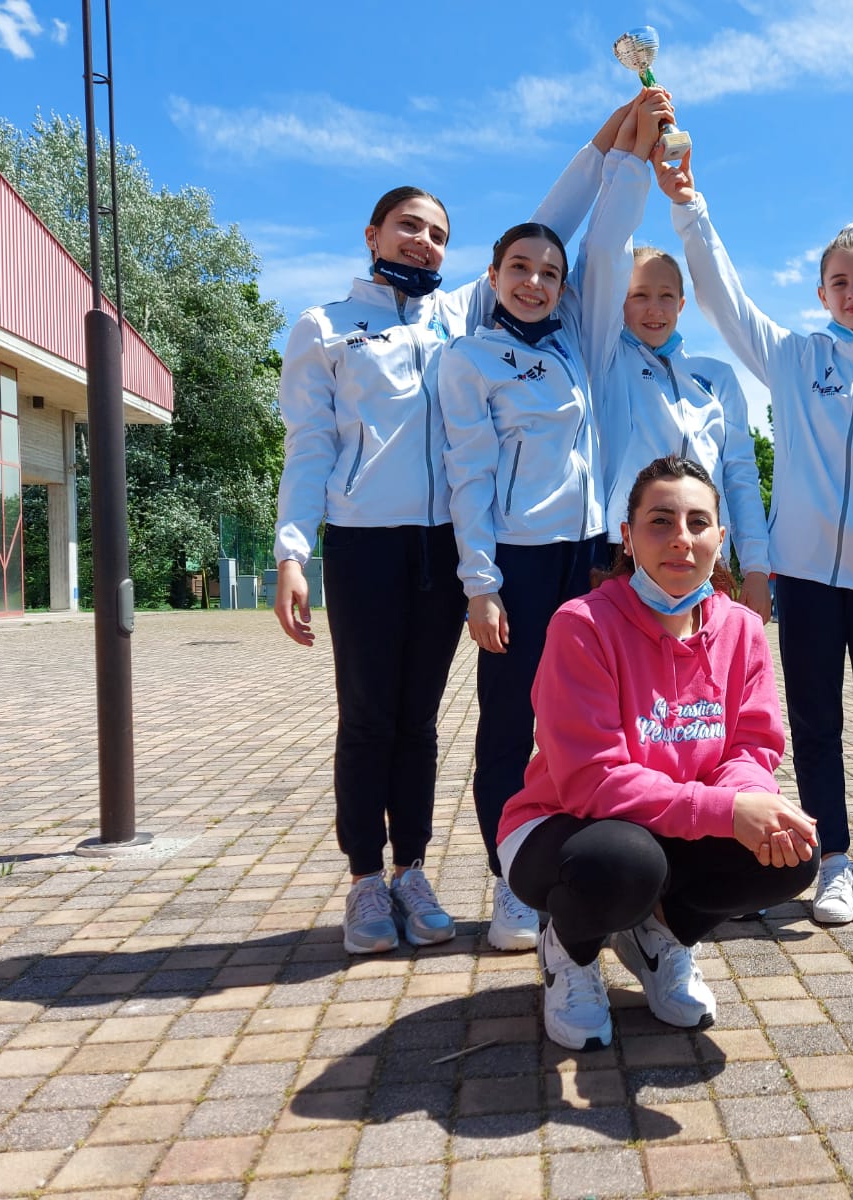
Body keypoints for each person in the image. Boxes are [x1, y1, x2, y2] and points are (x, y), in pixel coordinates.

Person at [271, 103, 633, 956]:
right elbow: (309, 446)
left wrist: (608, 141)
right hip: (364, 543)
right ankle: (365, 878)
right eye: (408, 228)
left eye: (437, 234)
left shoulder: (457, 316)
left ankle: (413, 868)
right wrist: (293, 552)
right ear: (372, 234)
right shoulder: (325, 328)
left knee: (423, 718)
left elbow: (549, 229)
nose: (424, 244)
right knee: (367, 714)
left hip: (447, 546)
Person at [661, 149, 853, 927]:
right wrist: (690, 207)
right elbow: (724, 298)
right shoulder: (796, 360)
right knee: (814, 723)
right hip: (804, 576)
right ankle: (832, 858)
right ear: (820, 292)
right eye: (838, 281)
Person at [438, 92, 677, 952]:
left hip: (590, 557)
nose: (537, 283)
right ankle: (510, 884)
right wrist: (482, 585)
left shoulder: (574, 338)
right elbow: (467, 478)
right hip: (518, 562)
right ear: (493, 279)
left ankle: (605, 869)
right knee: (509, 722)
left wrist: (637, 146)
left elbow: (605, 237)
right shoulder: (468, 360)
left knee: (594, 720)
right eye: (520, 272)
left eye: (549, 274)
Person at [499, 456, 819, 1050]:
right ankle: (569, 949)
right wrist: (726, 813)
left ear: (720, 540)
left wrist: (752, 802)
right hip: (565, 827)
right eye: (660, 521)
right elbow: (593, 782)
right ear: (628, 535)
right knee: (625, 862)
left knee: (793, 853)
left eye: (699, 523)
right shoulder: (583, 625)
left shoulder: (743, 629)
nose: (681, 539)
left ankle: (661, 935)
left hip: (670, 824)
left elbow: (752, 746)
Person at [584, 151, 771, 620]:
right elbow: (603, 251)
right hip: (623, 550)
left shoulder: (716, 377)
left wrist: (756, 567)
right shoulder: (604, 361)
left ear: (682, 304)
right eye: (639, 296)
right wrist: (633, 160)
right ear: (618, 303)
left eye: (666, 296)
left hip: (705, 552)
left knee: (700, 672)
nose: (654, 309)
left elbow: (740, 477)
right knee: (629, 676)